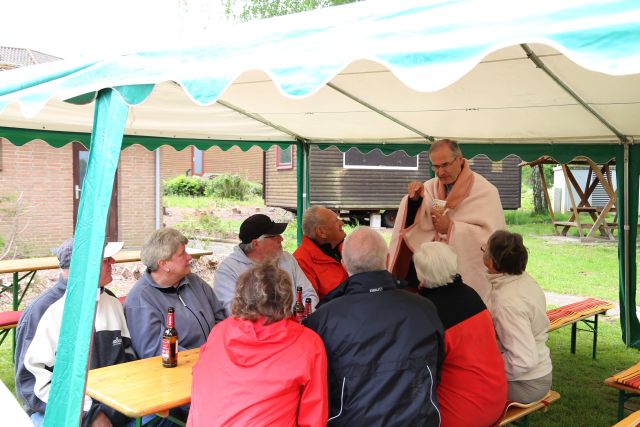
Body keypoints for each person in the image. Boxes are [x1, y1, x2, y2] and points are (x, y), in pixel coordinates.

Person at [303, 226, 444, 426]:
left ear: (344, 265)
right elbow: (436, 369)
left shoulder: (322, 319)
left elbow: (312, 387)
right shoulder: (425, 308)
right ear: (387, 260)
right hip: (418, 421)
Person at [188, 262, 328, 426]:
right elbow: (313, 417)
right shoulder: (307, 343)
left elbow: (200, 377)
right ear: (287, 298)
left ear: (241, 295)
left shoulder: (219, 331)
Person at [22, 238, 134, 427]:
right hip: (60, 409)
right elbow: (30, 384)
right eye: (105, 259)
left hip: (113, 405)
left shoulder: (111, 302)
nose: (113, 262)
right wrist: (88, 414)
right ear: (83, 267)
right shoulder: (44, 310)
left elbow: (128, 356)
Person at [389, 138, 505, 303]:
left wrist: (451, 227)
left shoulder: (485, 192)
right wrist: (415, 201)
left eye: (445, 165)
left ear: (459, 159)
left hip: (464, 273)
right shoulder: (430, 188)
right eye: (435, 166)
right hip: (432, 275)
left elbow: (492, 238)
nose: (440, 172)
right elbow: (419, 223)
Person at [414, 241, 507, 427]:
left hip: (462, 413)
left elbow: (420, 373)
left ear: (421, 273)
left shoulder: (427, 312)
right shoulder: (470, 294)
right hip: (496, 396)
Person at [125, 227, 227, 359]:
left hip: (214, 360)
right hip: (178, 370)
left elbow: (220, 317)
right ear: (164, 264)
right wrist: (203, 358)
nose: (189, 257)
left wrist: (219, 348)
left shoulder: (194, 282)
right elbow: (155, 350)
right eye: (182, 254)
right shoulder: (140, 300)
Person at [484, 230, 552, 403]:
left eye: (484, 249)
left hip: (525, 383)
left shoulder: (507, 302)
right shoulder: (522, 280)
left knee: (456, 390)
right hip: (535, 373)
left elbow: (523, 359)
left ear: (491, 262)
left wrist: (486, 368)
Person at [214, 214, 318, 316]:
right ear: (256, 244)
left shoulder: (287, 259)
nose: (281, 239)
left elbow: (309, 295)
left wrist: (298, 320)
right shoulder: (228, 270)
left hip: (296, 327)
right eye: (274, 236)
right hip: (255, 332)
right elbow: (234, 311)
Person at [293, 206, 348, 298]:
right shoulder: (301, 261)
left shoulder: (347, 247)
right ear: (321, 232)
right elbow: (311, 304)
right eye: (336, 221)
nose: (342, 223)